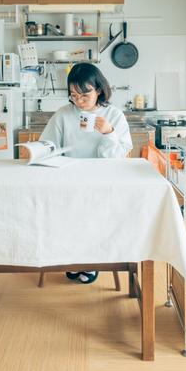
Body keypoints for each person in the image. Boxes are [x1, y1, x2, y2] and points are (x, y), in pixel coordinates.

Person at [40, 63, 133, 284]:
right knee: (67, 217)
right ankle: (74, 259)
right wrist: (38, 151)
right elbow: (48, 145)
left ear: (99, 89)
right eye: (73, 95)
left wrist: (109, 132)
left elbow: (118, 158)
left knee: (95, 218)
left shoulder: (114, 115)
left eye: (84, 94)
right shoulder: (64, 114)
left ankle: (91, 261)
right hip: (68, 179)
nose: (79, 101)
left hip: (103, 181)